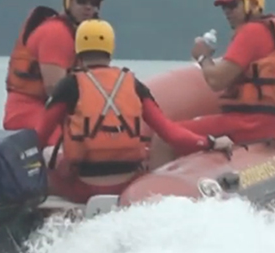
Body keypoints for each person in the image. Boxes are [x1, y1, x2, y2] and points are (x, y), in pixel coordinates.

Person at [34, 18, 232, 203]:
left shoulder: (68, 86)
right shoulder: (133, 84)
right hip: (128, 184)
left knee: (48, 155)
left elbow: (39, 138)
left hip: (84, 187)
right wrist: (210, 142)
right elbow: (171, 133)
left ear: (78, 50)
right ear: (110, 50)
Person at [148, 0, 275, 169]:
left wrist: (202, 57)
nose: (227, 12)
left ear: (253, 4)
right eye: (223, 7)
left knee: (164, 138)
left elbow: (216, 81)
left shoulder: (251, 33)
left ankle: (153, 197)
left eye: (233, 5)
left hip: (252, 124)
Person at [3, 0, 105, 145]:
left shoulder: (82, 36)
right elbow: (56, 91)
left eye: (94, 3)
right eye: (81, 1)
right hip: (28, 110)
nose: (89, 7)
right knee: (72, 143)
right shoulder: (56, 33)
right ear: (68, 2)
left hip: (50, 109)